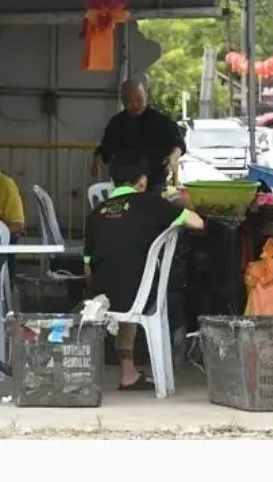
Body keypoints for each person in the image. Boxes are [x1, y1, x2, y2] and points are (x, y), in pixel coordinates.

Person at [83, 154, 204, 391]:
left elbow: (87, 266)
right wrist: (183, 204)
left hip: (101, 300)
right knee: (145, 284)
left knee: (126, 282)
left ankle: (127, 372)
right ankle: (156, 365)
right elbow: (197, 223)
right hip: (140, 295)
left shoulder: (96, 213)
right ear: (142, 181)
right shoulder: (152, 204)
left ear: (113, 181)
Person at [93, 80, 186, 193]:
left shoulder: (160, 121)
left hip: (154, 184)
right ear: (122, 101)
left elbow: (178, 143)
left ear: (146, 95)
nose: (135, 105)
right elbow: (105, 149)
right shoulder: (116, 123)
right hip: (124, 185)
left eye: (139, 100)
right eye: (129, 102)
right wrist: (97, 160)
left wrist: (173, 157)